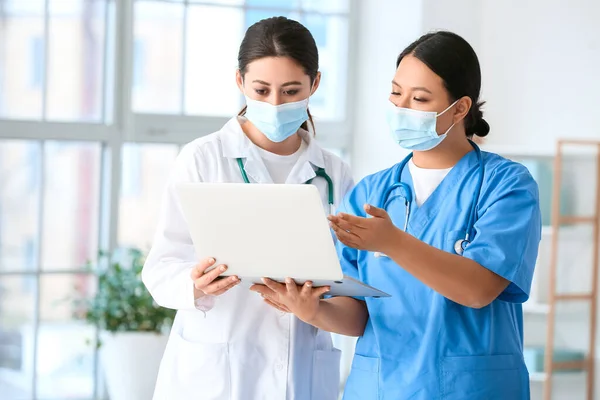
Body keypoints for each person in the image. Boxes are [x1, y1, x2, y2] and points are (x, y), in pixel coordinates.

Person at [254, 31, 542, 399]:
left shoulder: (507, 185)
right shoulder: (371, 193)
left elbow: (478, 290)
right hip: (379, 386)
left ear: (459, 108)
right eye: (396, 93)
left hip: (470, 387)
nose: (402, 107)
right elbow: (357, 313)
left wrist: (394, 243)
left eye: (419, 98)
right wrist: (312, 311)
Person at [142, 17, 354, 400]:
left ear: (314, 84)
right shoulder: (203, 159)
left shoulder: (336, 174)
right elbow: (159, 269)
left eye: (291, 91)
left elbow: (349, 278)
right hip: (215, 371)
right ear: (240, 82)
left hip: (301, 367)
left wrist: (317, 300)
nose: (275, 104)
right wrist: (194, 284)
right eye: (261, 89)